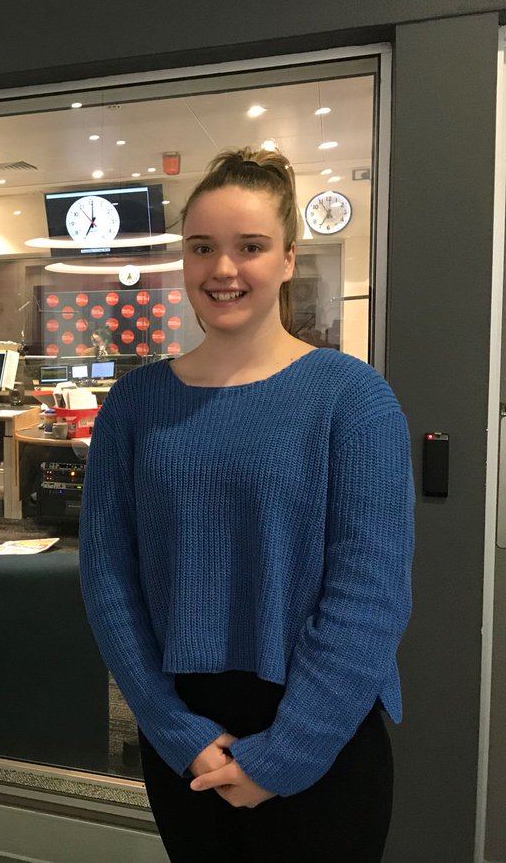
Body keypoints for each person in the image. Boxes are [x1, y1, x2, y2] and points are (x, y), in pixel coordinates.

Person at [78, 147, 413, 862]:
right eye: (202, 247)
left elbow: (371, 595)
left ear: (288, 259)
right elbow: (108, 579)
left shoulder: (352, 398)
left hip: (323, 734)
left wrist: (286, 755)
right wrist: (173, 729)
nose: (222, 269)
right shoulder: (134, 404)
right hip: (186, 737)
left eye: (250, 247)